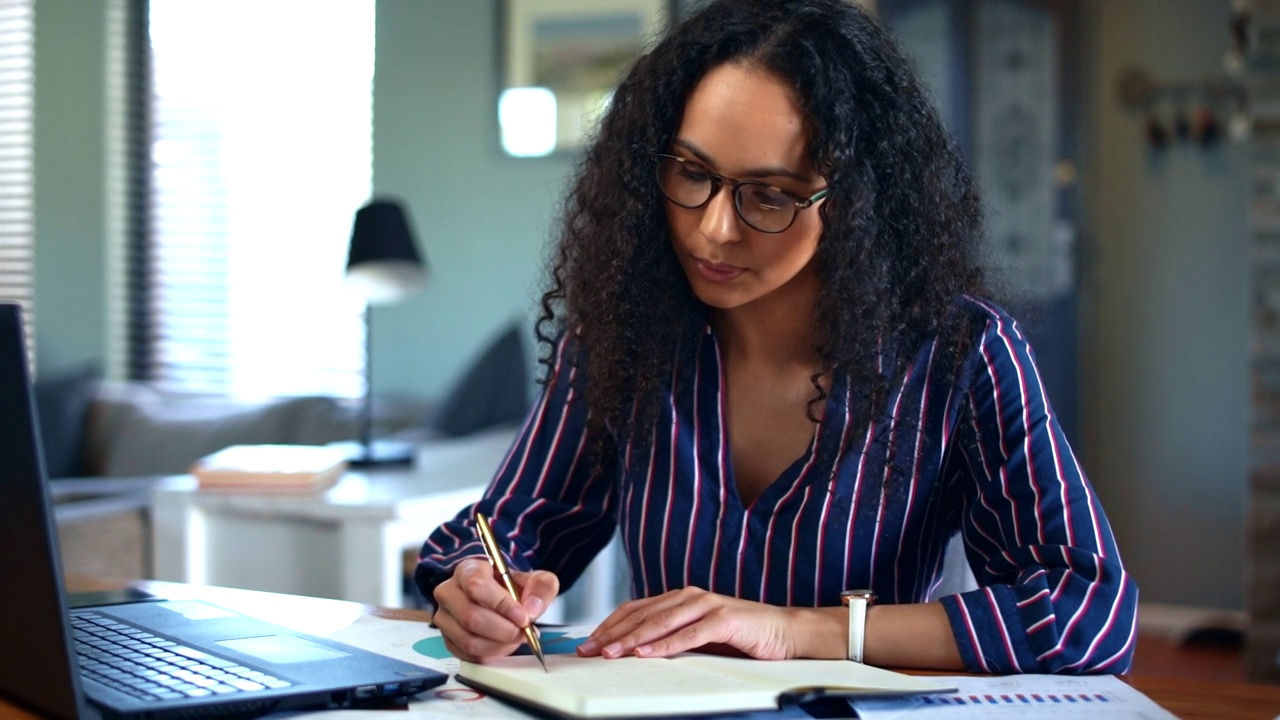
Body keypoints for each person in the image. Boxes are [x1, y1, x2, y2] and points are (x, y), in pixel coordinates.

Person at [416, 0, 1137, 675]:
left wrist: (797, 630)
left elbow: (1089, 616)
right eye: (693, 174)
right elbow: (494, 537)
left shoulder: (960, 354)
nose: (714, 229)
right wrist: (475, 590)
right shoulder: (625, 334)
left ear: (858, 202)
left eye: (770, 195)